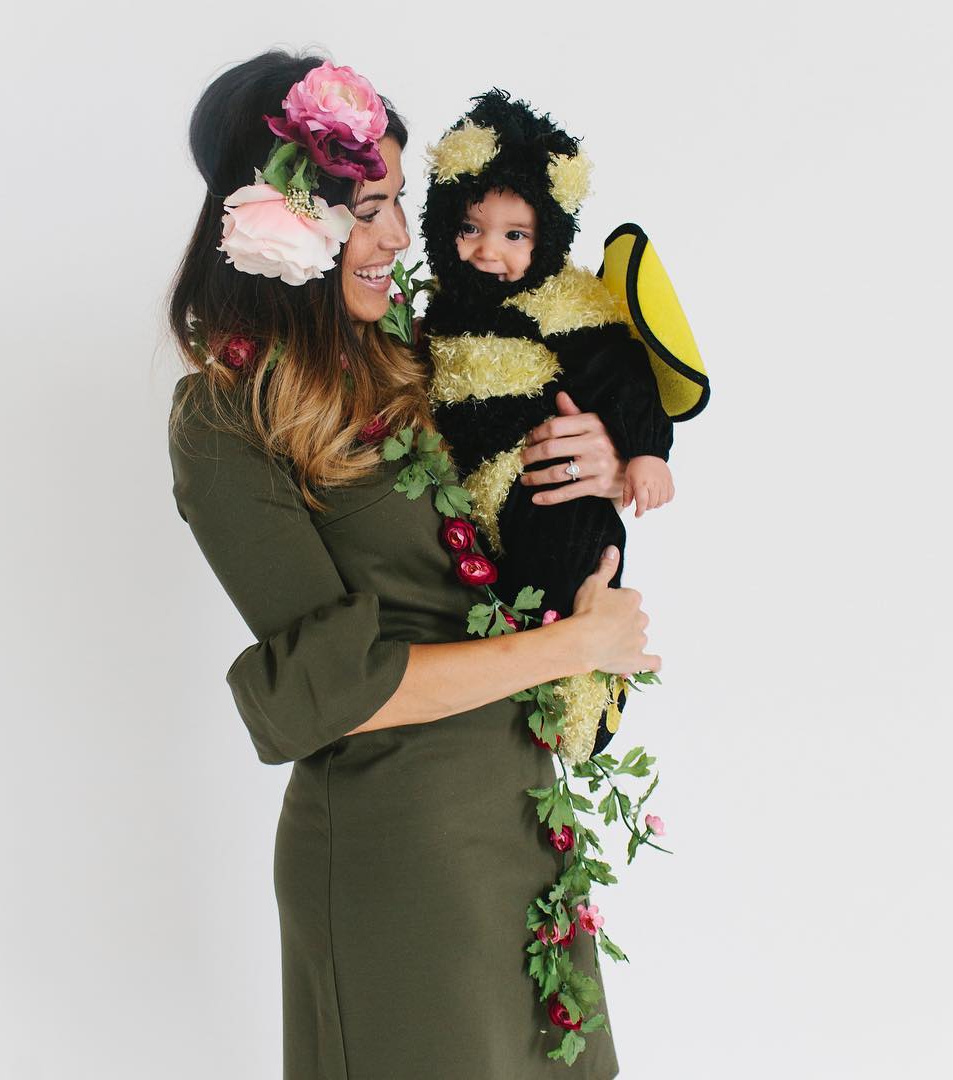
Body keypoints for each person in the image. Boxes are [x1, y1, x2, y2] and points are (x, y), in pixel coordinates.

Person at [167, 50, 656, 1079]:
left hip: (522, 820)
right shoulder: (228, 414)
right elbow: (336, 691)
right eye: (373, 206)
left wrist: (606, 451)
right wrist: (576, 645)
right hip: (401, 850)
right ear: (291, 218)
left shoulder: (411, 350)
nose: (401, 235)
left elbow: (527, 476)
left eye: (399, 203)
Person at [419, 90, 675, 759]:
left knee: (573, 568)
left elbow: (624, 376)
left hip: (549, 487)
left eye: (515, 236)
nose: (485, 252)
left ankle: (588, 698)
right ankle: (543, 686)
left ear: (549, 236)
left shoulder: (562, 302)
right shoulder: (437, 312)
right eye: (469, 227)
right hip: (483, 493)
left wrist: (641, 452)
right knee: (511, 602)